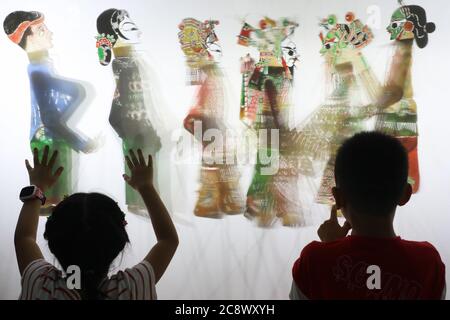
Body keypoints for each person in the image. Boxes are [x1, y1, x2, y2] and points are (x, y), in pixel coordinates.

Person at [290, 132, 445, 299]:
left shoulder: (313, 261)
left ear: (338, 198)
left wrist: (332, 247)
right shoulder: (428, 263)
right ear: (405, 195)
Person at [15, 146, 178, 300]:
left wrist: (37, 186)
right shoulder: (132, 288)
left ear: (52, 239)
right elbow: (168, 240)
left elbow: (24, 237)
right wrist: (146, 187)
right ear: (119, 240)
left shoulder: (41, 285)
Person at [3, 11, 97, 215]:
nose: (50, 33)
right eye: (42, 30)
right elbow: (50, 117)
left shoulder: (41, 69)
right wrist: (80, 142)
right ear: (30, 37)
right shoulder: (38, 72)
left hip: (49, 139)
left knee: (55, 204)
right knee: (53, 205)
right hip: (48, 140)